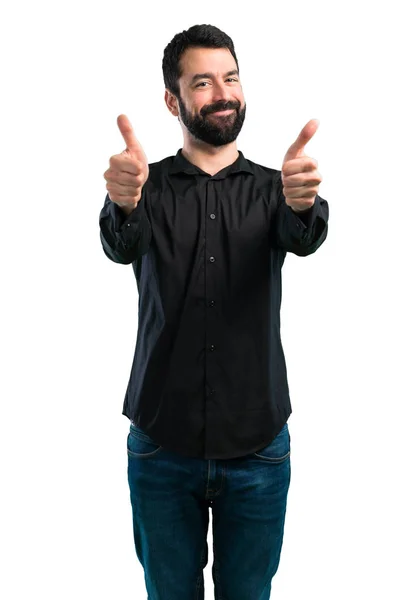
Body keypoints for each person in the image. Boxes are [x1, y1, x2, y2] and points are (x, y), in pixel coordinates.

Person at [99, 23, 329, 600]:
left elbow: (303, 236)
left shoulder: (277, 190)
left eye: (231, 77)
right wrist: (121, 202)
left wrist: (304, 203)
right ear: (174, 100)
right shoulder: (145, 191)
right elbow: (119, 244)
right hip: (160, 444)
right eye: (202, 82)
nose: (223, 92)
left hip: (258, 445)